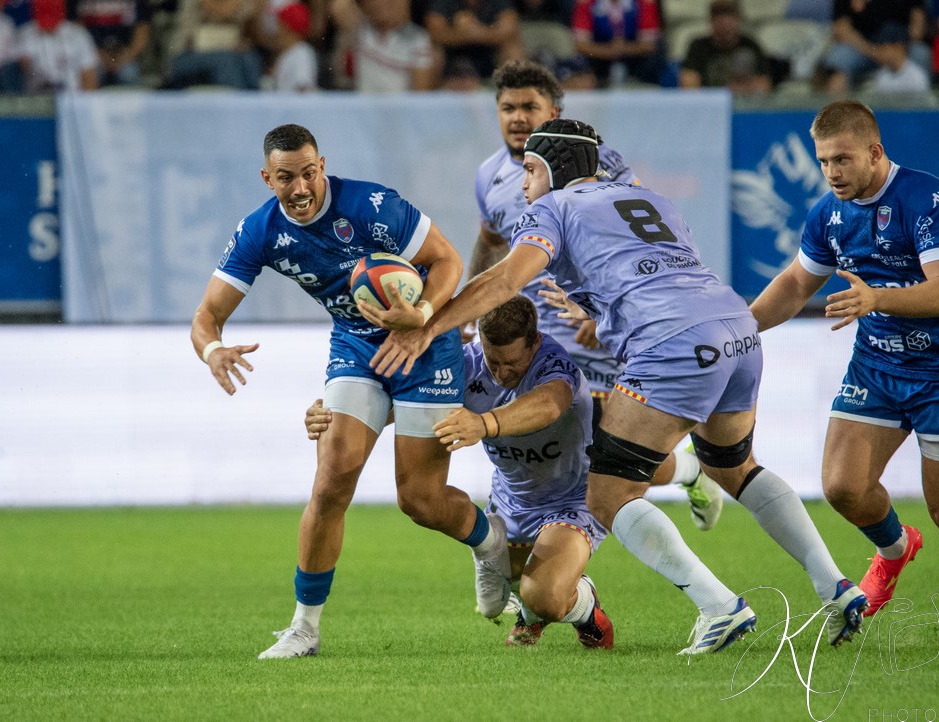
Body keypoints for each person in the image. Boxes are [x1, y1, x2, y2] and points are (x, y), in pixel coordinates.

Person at [368, 118, 869, 654]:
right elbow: (653, 276)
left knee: (608, 495)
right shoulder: (651, 200)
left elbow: (507, 279)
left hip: (671, 343)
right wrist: (590, 302)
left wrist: (430, 323)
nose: (524, 186)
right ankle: (834, 587)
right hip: (735, 329)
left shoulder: (552, 208)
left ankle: (719, 607)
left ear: (547, 169)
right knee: (734, 467)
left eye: (529, 173)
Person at [190, 123, 511, 659]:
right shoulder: (260, 230)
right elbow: (207, 316)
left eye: (309, 173)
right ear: (267, 178)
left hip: (424, 345)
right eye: (286, 177)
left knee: (420, 500)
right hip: (356, 348)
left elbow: (449, 260)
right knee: (331, 479)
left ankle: (489, 541)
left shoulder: (371, 205)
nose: (300, 188)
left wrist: (423, 317)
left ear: (322, 166)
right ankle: (304, 628)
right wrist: (212, 350)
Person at [749, 100, 939, 644]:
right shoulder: (827, 214)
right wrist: (738, 331)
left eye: (842, 159)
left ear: (874, 152)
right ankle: (894, 548)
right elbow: (794, 284)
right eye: (823, 162)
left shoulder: (930, 201)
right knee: (842, 488)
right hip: (879, 366)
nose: (832, 172)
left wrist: (875, 298)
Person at [473, 59, 724, 531]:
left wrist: (598, 312)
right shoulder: (488, 176)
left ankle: (687, 471)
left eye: (531, 107)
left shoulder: (601, 166)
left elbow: (636, 234)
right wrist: (475, 312)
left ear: (555, 110)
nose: (518, 117)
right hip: (539, 332)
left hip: (595, 328)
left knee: (604, 445)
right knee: (545, 437)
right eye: (508, 107)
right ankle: (532, 554)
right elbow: (490, 242)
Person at [308, 295, 616, 648]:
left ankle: (585, 609)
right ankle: (532, 608)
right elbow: (395, 407)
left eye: (512, 363)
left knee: (544, 594)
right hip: (511, 503)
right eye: (493, 360)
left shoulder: (555, 366)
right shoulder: (466, 367)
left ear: (535, 341)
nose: (501, 373)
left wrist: (484, 423)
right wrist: (332, 415)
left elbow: (549, 404)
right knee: (502, 595)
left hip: (572, 499)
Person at [328, 0, 437, 92]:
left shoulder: (418, 38)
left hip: (399, 111)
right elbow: (338, 7)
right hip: (364, 109)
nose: (383, 4)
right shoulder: (361, 29)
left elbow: (420, 92)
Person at [679, 0, 773, 95]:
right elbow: (688, 85)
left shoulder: (751, 46)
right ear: (711, 22)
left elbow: (764, 85)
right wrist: (724, 91)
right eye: (719, 18)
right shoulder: (698, 47)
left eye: (730, 18)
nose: (724, 24)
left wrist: (741, 88)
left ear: (738, 20)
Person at [423, 0, 523, 89]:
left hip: (488, 57)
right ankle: (427, 102)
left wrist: (478, 32)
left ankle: (516, 99)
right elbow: (434, 32)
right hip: (452, 58)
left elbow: (510, 30)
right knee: (431, 52)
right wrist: (461, 34)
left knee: (513, 50)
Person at [570, 0, 664, 87]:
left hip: (634, 60)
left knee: (655, 55)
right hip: (600, 62)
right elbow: (580, 45)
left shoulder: (644, 2)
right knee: (582, 62)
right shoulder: (586, 3)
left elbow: (649, 45)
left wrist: (625, 48)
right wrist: (609, 51)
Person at [17, 0, 99, 92]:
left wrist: (85, 103)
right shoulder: (24, 34)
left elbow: (89, 74)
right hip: (37, 97)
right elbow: (19, 71)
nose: (48, 25)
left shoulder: (78, 34)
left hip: (72, 96)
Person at [67, 0, 152, 86]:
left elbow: (142, 28)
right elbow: (73, 29)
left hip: (124, 56)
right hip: (92, 56)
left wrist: (127, 56)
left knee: (129, 73)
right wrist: (98, 55)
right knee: (88, 75)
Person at [268, 0, 316, 91]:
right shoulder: (288, 52)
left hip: (294, 105)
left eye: (280, 25)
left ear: (288, 28)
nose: (277, 30)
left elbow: (303, 88)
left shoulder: (302, 53)